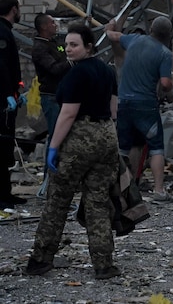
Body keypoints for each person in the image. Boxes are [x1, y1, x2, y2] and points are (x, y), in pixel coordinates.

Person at [26, 23, 121, 280]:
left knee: (58, 199)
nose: (68, 49)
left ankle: (40, 259)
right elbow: (113, 109)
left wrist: (53, 148)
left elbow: (68, 114)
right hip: (106, 136)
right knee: (98, 200)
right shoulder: (107, 71)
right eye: (66, 44)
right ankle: (104, 264)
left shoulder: (75, 75)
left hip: (81, 138)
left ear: (88, 47)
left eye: (74, 45)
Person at [105, 17, 173, 203]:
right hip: (146, 105)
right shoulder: (165, 53)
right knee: (156, 147)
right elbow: (166, 84)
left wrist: (110, 26)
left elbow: (112, 35)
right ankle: (159, 191)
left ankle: (120, 189)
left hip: (125, 102)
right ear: (168, 34)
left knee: (124, 147)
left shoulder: (134, 40)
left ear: (150, 28)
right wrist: (169, 86)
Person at [0, 0, 26, 208]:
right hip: (2, 102)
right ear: (14, 9)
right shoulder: (2, 33)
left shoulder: (6, 32)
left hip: (7, 99)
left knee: (6, 146)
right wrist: (8, 93)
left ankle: (6, 193)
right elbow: (1, 66)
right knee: (1, 147)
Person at [31, 13, 70, 151]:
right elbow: (54, 69)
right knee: (56, 136)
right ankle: (50, 171)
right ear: (44, 27)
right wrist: (71, 62)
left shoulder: (53, 43)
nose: (55, 25)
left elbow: (62, 52)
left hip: (60, 95)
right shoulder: (40, 48)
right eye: (52, 23)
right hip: (51, 96)